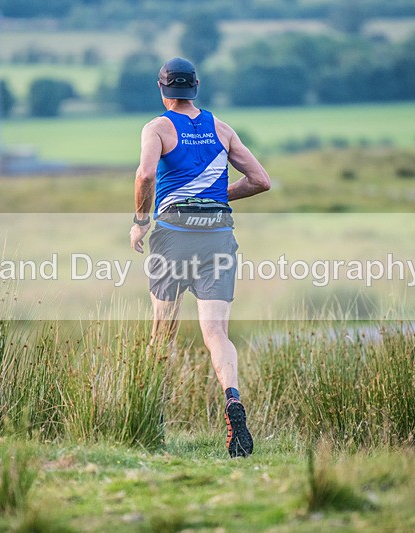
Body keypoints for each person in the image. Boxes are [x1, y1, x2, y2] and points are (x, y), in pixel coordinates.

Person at [129, 57, 271, 458]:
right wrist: (212, 197)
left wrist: (140, 221)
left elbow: (145, 175)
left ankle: (148, 419)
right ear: (196, 88)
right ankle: (232, 401)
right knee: (216, 335)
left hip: (174, 236)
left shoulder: (157, 127)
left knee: (163, 332)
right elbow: (261, 181)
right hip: (218, 237)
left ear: (162, 90)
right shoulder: (222, 129)